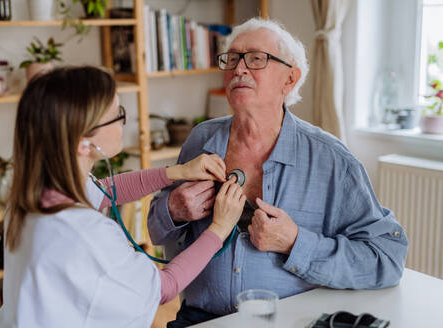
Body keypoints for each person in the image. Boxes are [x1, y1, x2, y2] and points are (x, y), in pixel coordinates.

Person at [148, 18, 408, 327]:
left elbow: (386, 259)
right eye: (232, 59)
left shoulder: (332, 160)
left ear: (290, 79)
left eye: (256, 59)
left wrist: (295, 242)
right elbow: (155, 231)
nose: (239, 69)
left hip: (291, 321)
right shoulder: (200, 140)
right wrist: (173, 209)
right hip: (200, 320)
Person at [0, 66, 246, 328]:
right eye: (118, 114)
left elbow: (104, 190)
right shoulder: (88, 233)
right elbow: (164, 288)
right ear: (84, 142)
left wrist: (176, 172)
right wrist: (219, 228)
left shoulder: (31, 198)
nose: (125, 121)